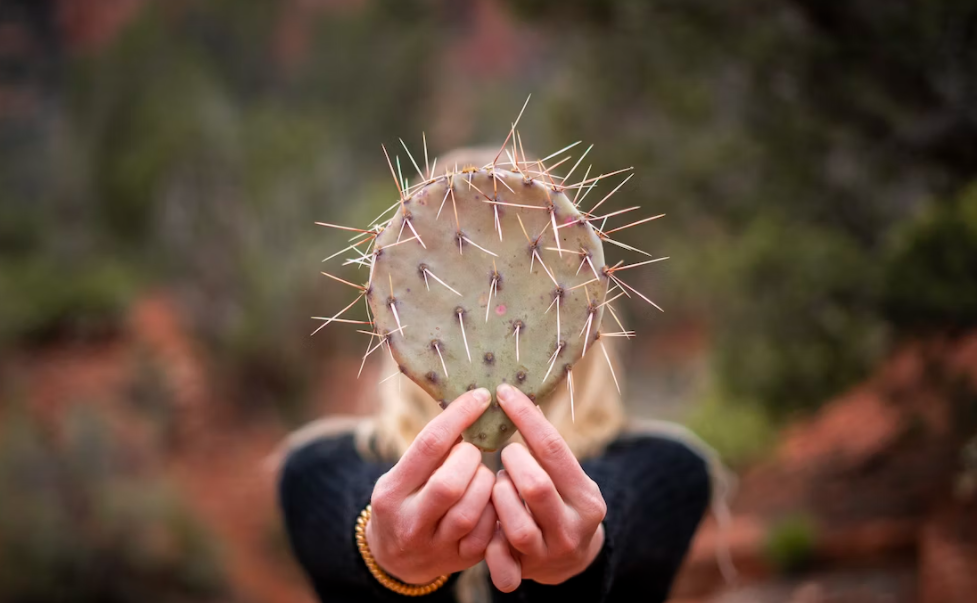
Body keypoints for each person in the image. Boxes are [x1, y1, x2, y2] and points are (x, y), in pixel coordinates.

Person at [275, 334, 731, 603]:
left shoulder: (669, 465)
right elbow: (345, 496)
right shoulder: (317, 466)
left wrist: (592, 542)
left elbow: (626, 498)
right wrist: (378, 544)